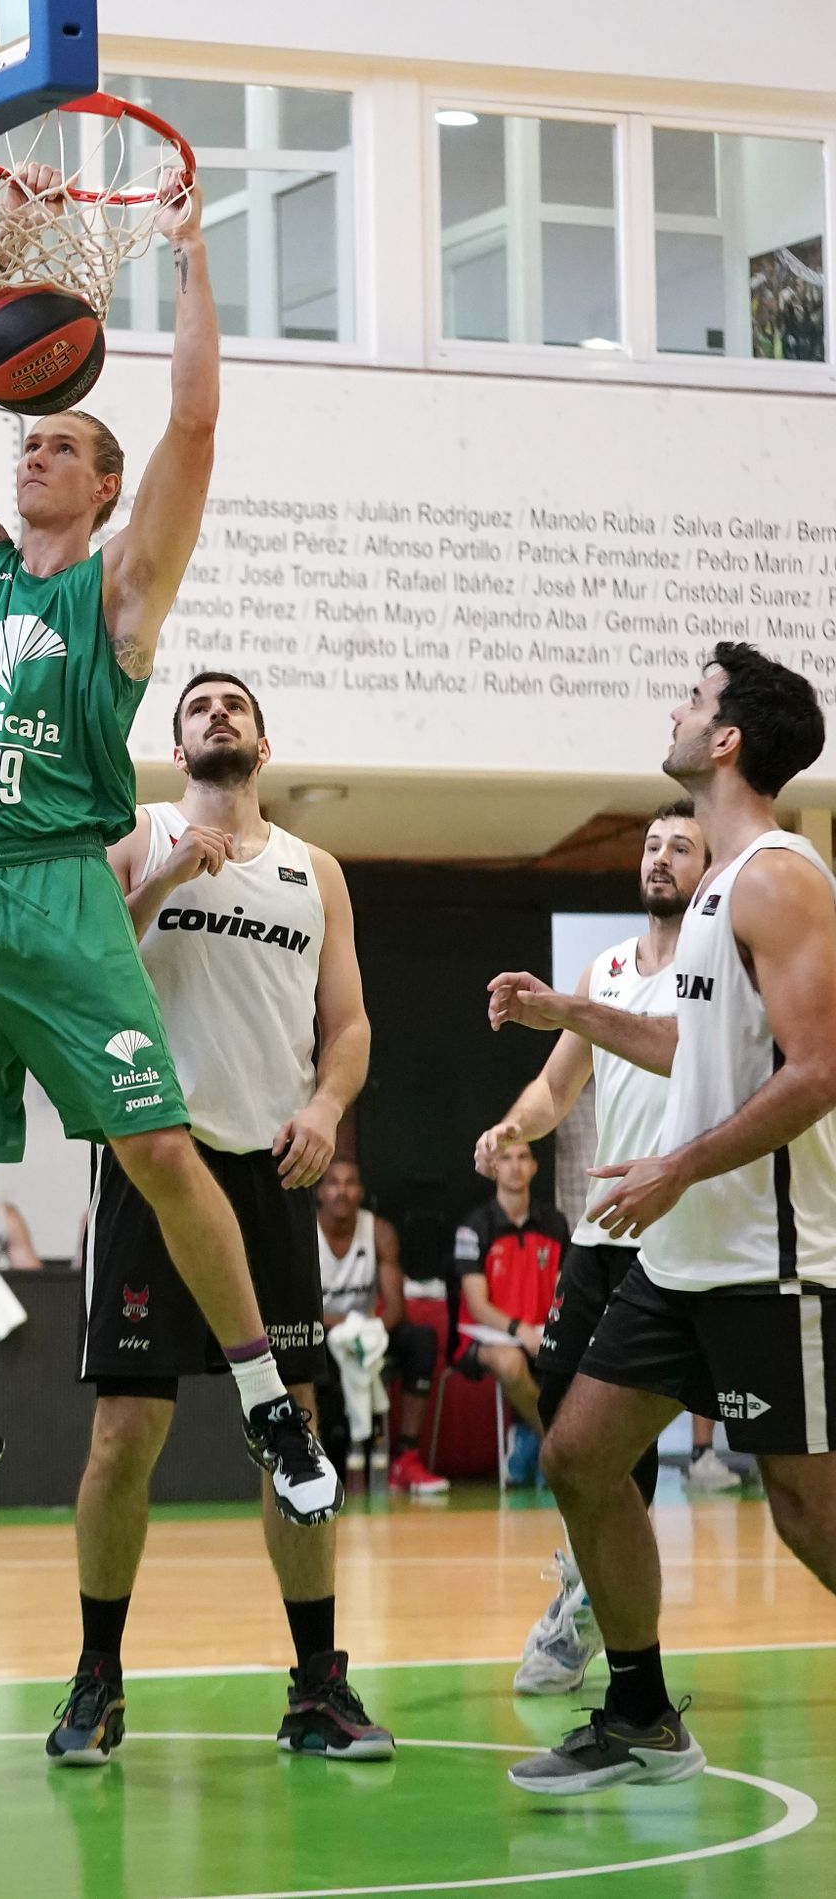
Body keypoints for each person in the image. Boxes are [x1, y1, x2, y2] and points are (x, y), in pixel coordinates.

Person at [0, 166, 336, 1561]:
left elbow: (194, 419)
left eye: (63, 446)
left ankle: (268, 1398)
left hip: (60, 881)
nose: (32, 459)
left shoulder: (120, 591)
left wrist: (190, 262)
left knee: (154, 1141)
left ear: (106, 481)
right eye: (29, 445)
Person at [492, 643, 836, 1794]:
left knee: (805, 1513)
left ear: (728, 737)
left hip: (765, 1258)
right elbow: (696, 1047)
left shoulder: (782, 875)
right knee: (583, 1454)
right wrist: (572, 1010)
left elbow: (821, 1067)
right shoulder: (710, 896)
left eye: (694, 697)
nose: (678, 710)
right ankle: (638, 1711)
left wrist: (678, 1166)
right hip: (682, 1258)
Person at [51, 672, 379, 1766]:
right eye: (199, 705)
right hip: (154, 1166)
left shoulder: (313, 869)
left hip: (268, 1175)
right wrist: (155, 883)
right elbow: (73, 972)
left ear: (263, 739)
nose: (218, 716)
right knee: (125, 1433)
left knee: (294, 1432)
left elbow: (348, 1025)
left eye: (234, 705)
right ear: (174, 738)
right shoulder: (131, 835)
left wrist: (328, 1107)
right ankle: (97, 1675)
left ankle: (316, 1686)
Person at [475, 800, 705, 1692]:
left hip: (681, 1234)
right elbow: (555, 1083)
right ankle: (590, 1587)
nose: (659, 857)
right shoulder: (606, 968)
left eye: (681, 847)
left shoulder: (713, 966)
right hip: (601, 1234)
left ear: (710, 868)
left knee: (634, 1442)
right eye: (652, 844)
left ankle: (592, 1603)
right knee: (570, 1418)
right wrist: (511, 1126)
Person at [315, 1158, 447, 1493]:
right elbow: (300, 1312)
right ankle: (313, 1458)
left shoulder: (378, 1232)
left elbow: (396, 1309)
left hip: (370, 1333)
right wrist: (348, 1326)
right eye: (333, 1183)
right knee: (298, 1347)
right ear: (319, 1191)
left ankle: (406, 1456)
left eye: (350, 1183)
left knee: (421, 1340)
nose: (341, 1191)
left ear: (360, 1191)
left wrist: (364, 1330)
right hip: (323, 1334)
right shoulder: (306, 1234)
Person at [452, 1142, 569, 1485]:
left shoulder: (554, 1222)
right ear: (493, 1168)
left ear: (534, 1167)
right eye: (505, 1158)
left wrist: (550, 1330)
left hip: (540, 1334)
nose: (515, 1166)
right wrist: (519, 1330)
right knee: (510, 1362)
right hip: (484, 1337)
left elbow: (563, 1292)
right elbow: (478, 1306)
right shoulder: (474, 1227)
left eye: (523, 1158)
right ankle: (557, 1447)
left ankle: (528, 1438)